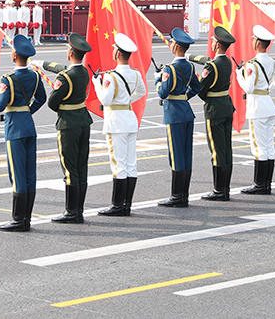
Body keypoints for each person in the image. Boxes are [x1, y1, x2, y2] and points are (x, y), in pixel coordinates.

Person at [0, 35, 46, 232]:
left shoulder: (8, 80)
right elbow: (42, 98)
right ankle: (27, 219)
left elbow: (0, 104)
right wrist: (28, 111)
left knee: (17, 174)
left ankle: (18, 220)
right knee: (30, 173)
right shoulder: (35, 76)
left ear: (14, 56)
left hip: (14, 127)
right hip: (29, 126)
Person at [40, 32, 93, 224]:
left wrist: (57, 85)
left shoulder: (65, 78)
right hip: (83, 122)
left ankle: (71, 213)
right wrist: (44, 64)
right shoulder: (84, 71)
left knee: (69, 169)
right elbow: (65, 69)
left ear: (70, 52)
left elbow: (52, 103)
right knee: (81, 167)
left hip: (68, 125)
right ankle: (78, 210)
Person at [93, 32, 147, 215]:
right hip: (130, 119)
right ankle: (127, 205)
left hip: (116, 121)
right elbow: (141, 92)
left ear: (117, 54)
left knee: (118, 164)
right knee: (131, 163)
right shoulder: (136, 74)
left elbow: (105, 100)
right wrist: (126, 99)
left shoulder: (110, 76)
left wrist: (96, 85)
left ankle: (117, 206)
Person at [235, 24, 275, 195]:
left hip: (257, 108)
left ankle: (259, 185)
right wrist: (265, 90)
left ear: (257, 43)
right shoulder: (272, 61)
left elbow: (248, 88)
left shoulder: (252, 65)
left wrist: (238, 76)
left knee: (258, 147)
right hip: (268, 105)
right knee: (269, 146)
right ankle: (266, 184)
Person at [187, 26, 236, 201]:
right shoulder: (227, 62)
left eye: (213, 41)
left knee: (216, 150)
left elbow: (201, 90)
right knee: (226, 149)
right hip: (226, 106)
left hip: (214, 109)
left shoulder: (212, 66)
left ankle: (218, 191)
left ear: (217, 45)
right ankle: (226, 189)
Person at [156, 28, 200, 207]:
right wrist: (184, 97)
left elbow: (163, 93)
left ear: (175, 46)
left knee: (176, 155)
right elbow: (196, 87)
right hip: (186, 111)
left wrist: (158, 79)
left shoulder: (170, 69)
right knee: (186, 153)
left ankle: (176, 197)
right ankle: (184, 195)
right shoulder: (190, 66)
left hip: (174, 114)